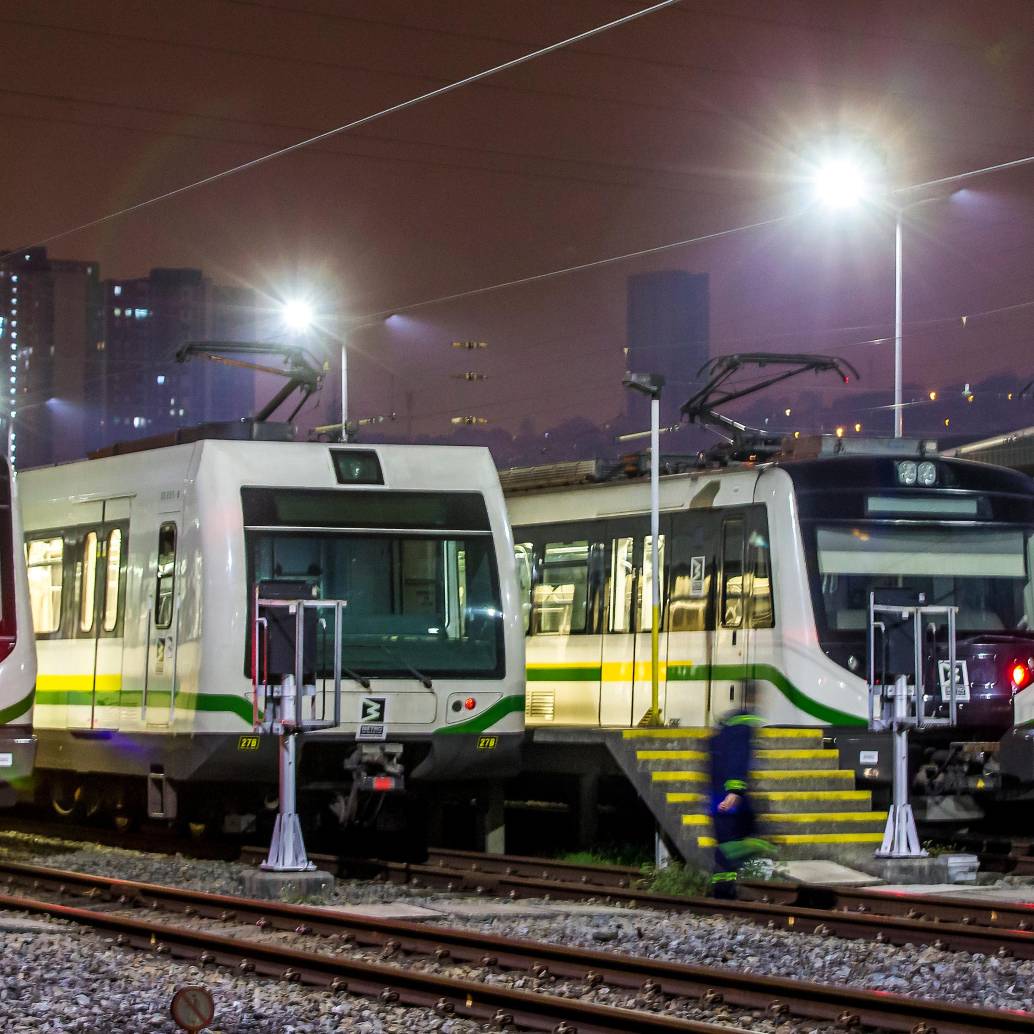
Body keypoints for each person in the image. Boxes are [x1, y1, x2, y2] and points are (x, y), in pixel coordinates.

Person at [708, 708, 772, 899]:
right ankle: (724, 892)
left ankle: (723, 892)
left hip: (718, 799)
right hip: (730, 801)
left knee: (727, 845)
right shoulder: (741, 730)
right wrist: (735, 791)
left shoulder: (719, 736)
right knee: (743, 843)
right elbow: (737, 759)